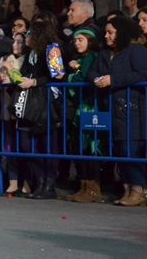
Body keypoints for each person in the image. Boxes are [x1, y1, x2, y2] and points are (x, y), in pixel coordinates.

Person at [88, 16, 147, 206]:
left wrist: (113, 79)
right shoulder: (105, 52)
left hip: (133, 108)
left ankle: (138, 190)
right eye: (106, 32)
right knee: (120, 151)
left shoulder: (135, 50)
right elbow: (92, 71)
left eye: (110, 32)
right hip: (111, 107)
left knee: (131, 150)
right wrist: (97, 80)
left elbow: (143, 73)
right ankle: (127, 189)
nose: (106, 36)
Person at [14, 20, 65, 200]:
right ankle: (39, 180)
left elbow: (57, 75)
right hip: (30, 103)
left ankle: (49, 184)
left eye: (30, 33)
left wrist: (34, 82)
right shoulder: (30, 54)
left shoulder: (51, 50)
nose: (26, 37)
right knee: (27, 145)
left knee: (49, 145)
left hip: (46, 102)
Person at [64, 28, 103, 202]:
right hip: (79, 106)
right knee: (79, 146)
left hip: (90, 106)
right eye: (75, 40)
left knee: (90, 146)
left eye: (80, 39)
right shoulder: (79, 59)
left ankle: (93, 188)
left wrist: (67, 77)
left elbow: (85, 78)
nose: (77, 43)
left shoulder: (92, 57)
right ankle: (83, 185)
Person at [0, 32, 27, 195]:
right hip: (7, 108)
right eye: (14, 42)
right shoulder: (4, 59)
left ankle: (27, 181)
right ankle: (12, 181)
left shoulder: (26, 60)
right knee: (9, 146)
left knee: (25, 146)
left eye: (19, 42)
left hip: (23, 108)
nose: (15, 45)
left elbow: (22, 79)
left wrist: (11, 72)